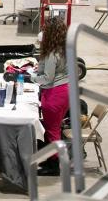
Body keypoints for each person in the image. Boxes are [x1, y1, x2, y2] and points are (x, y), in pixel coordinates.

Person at [33, 18, 71, 176]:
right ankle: (51, 160)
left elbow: (48, 78)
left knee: (52, 131)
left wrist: (32, 78)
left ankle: (54, 165)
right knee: (54, 129)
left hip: (55, 94)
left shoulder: (52, 53)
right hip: (66, 92)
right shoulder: (65, 49)